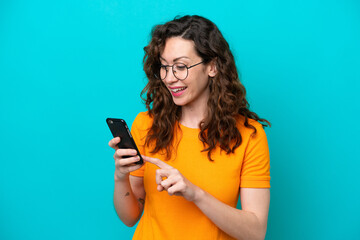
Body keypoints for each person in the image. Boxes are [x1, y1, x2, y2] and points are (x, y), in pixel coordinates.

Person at [108, 15, 271, 240]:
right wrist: (120, 177)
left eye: (181, 66)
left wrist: (194, 193)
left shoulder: (248, 135)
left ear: (212, 66)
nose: (170, 78)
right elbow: (129, 218)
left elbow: (255, 233)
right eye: (164, 67)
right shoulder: (146, 125)